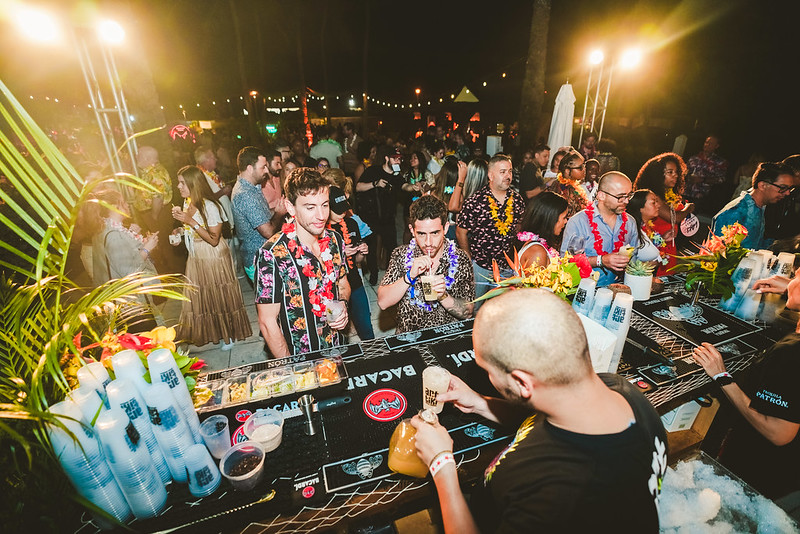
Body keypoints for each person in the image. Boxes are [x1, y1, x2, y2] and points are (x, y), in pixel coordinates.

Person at [411, 288, 668, 533]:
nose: (487, 377)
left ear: (522, 383)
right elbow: (541, 416)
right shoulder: (619, 390)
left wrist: (442, 465)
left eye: (487, 370)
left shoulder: (559, 498)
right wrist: (480, 403)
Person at [693, 269, 800, 500]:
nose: (795, 273)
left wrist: (721, 376)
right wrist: (792, 287)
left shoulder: (791, 353)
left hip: (758, 476)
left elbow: (778, 433)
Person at [255, 168, 350, 357]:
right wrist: (291, 367)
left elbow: (343, 284)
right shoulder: (272, 255)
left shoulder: (335, 240)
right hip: (300, 358)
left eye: (324, 205)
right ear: (290, 207)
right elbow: (267, 322)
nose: (321, 215)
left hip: (336, 347)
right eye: (310, 207)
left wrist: (342, 305)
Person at [170, 166, 252, 349]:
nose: (178, 186)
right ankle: (213, 331)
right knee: (203, 296)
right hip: (197, 255)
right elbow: (194, 229)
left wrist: (190, 221)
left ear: (193, 184)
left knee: (218, 295)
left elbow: (214, 239)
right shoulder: (188, 203)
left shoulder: (210, 206)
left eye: (182, 183)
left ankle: (227, 335)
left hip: (213, 255)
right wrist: (180, 231)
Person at [378, 195, 474, 332]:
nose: (428, 242)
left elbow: (468, 312)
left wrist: (443, 296)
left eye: (435, 233)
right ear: (412, 231)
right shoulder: (400, 255)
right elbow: (383, 302)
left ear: (446, 228)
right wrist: (409, 276)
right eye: (422, 234)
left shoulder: (460, 259)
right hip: (410, 336)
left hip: (444, 336)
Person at [456, 154, 525, 303]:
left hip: (507, 267)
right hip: (481, 265)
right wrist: (468, 257)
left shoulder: (517, 200)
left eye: (510, 171)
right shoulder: (475, 201)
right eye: (502, 172)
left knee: (502, 308)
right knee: (475, 306)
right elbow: (461, 231)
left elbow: (519, 226)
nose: (508, 176)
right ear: (490, 175)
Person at [89, 188, 161, 330]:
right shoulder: (113, 235)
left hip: (121, 300)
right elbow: (129, 271)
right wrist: (147, 248)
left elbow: (119, 258)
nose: (127, 205)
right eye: (123, 202)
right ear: (114, 207)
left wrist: (139, 243)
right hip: (130, 305)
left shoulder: (104, 229)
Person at [560, 171, 640, 287]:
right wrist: (600, 260)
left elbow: (634, 259)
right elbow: (566, 261)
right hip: (585, 289)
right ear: (601, 195)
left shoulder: (630, 222)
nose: (626, 201)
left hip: (619, 289)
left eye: (629, 195)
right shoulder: (578, 222)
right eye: (620, 197)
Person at [633, 152, 695, 274]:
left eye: (676, 172)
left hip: (667, 241)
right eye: (670, 172)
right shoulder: (654, 197)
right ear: (657, 175)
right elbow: (674, 218)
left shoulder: (669, 194)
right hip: (655, 247)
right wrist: (688, 208)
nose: (675, 175)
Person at [231, 146, 286, 281]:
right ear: (250, 168)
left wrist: (277, 209)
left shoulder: (253, 187)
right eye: (263, 167)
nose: (267, 171)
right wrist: (279, 213)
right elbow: (268, 232)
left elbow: (262, 214)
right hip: (259, 260)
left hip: (264, 257)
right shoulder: (245, 195)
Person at [326, 184, 374, 341]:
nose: (342, 213)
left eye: (344, 208)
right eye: (337, 210)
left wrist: (361, 252)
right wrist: (340, 254)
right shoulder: (322, 232)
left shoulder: (351, 224)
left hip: (355, 283)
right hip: (333, 290)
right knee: (336, 333)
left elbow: (358, 261)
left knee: (366, 328)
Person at [711, 162, 795, 250]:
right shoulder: (736, 212)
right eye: (783, 188)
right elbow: (719, 253)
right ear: (762, 185)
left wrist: (787, 243)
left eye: (789, 188)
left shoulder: (758, 207)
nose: (788, 193)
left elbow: (754, 245)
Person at [355, 145, 404, 285]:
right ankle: (374, 274)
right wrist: (375, 184)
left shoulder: (397, 175)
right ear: (387, 158)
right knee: (371, 247)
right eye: (394, 158)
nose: (398, 161)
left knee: (392, 247)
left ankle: (391, 275)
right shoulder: (373, 170)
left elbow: (404, 186)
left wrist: (413, 187)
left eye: (399, 159)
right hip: (371, 216)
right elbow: (358, 187)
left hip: (388, 218)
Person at [515, 191, 568, 269]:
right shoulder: (537, 252)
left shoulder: (538, 246)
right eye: (564, 217)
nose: (566, 221)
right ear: (551, 219)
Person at [685, 135, 728, 209]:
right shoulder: (694, 158)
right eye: (706, 142)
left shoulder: (719, 162)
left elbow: (721, 179)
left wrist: (703, 180)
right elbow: (684, 171)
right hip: (685, 192)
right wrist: (688, 177)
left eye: (711, 143)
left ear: (716, 146)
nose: (707, 145)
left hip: (702, 196)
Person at [625, 190, 666, 265]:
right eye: (653, 203)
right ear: (640, 208)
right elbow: (629, 263)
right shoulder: (631, 230)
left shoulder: (648, 226)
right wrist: (653, 263)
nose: (658, 205)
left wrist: (664, 238)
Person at [545, 149, 589, 219]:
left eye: (584, 165)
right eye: (580, 167)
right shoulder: (564, 189)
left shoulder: (571, 186)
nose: (584, 169)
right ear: (567, 171)